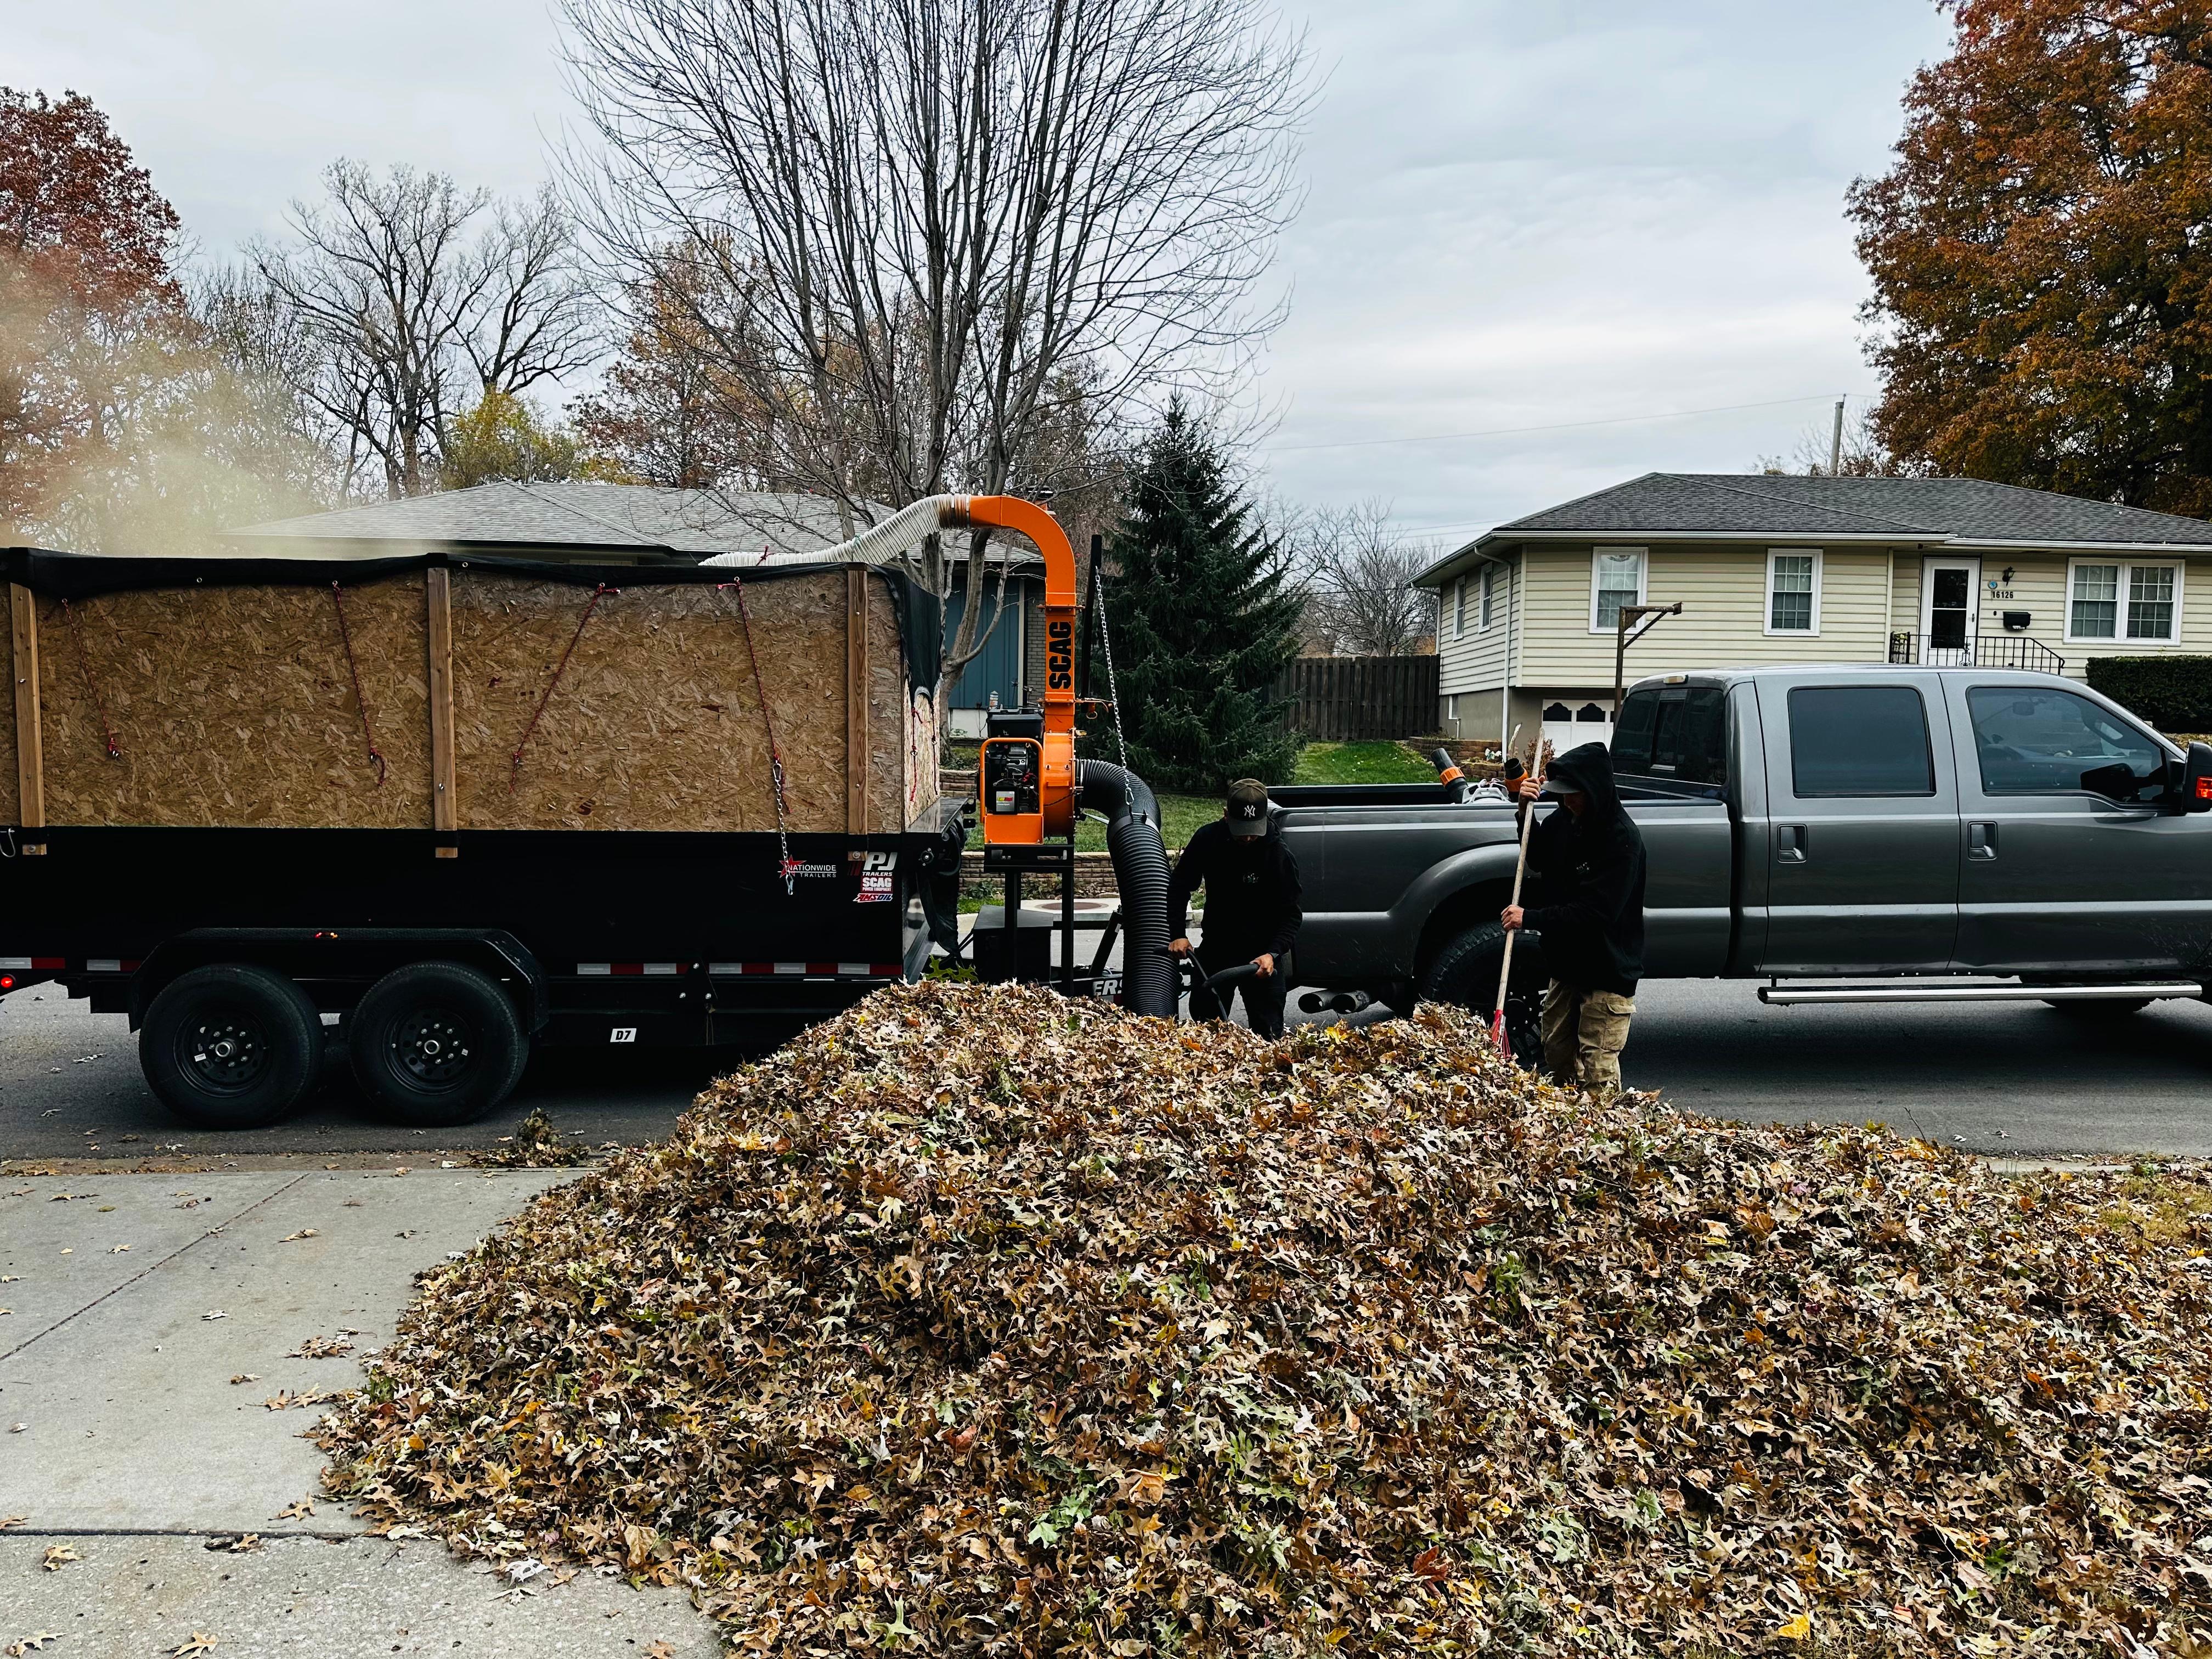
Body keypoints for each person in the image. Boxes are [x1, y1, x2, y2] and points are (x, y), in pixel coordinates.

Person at [1501, 741, 1645, 1092]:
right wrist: (1524, 810)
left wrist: (1529, 918)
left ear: (1594, 790)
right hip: (1567, 965)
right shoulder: (1566, 819)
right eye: (1561, 794)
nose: (1566, 801)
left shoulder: (1621, 839)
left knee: (1598, 1069)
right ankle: (1569, 1131)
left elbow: (1595, 913)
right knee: (1556, 1052)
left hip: (1607, 969)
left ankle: (1605, 1136)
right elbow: (1534, 858)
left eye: (1573, 795)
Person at [1167, 778, 1302, 1037]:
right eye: (1242, 829)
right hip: (1218, 949)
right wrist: (1178, 933)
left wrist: (1273, 953)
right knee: (1207, 1034)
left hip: (1262, 958)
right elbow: (1179, 888)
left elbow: (1292, 914)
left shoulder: (1277, 852)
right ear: (1226, 815)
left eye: (1254, 829)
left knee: (1268, 1035)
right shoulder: (1208, 840)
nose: (1249, 836)